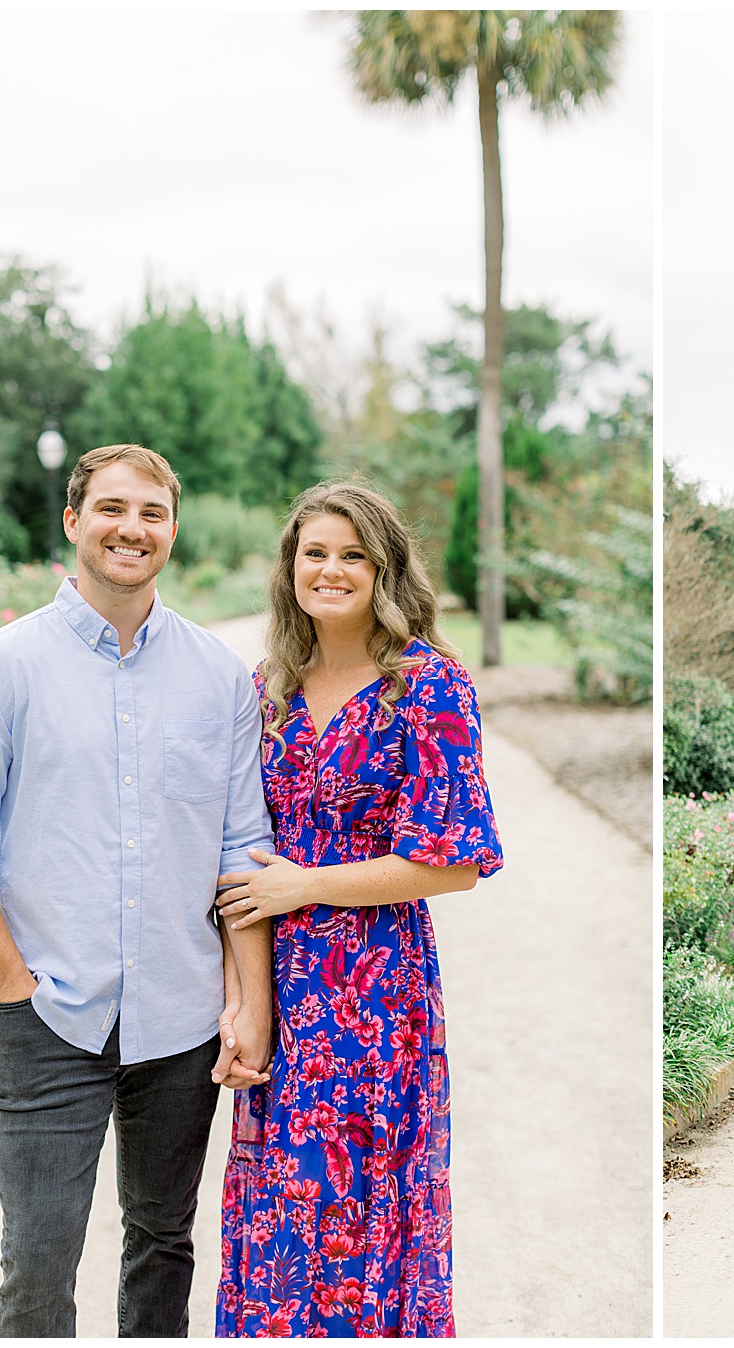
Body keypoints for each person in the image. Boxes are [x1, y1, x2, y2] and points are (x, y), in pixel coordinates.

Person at [0, 444, 275, 1337]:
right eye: (113, 509)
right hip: (50, 1017)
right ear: (74, 521)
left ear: (172, 531)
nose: (133, 528)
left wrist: (245, 1001)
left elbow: (242, 850)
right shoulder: (3, 668)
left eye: (152, 513)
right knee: (37, 1261)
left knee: (163, 1244)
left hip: (181, 1019)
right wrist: (13, 984)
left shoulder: (221, 679)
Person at [212, 479, 504, 1338]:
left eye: (353, 554)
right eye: (315, 553)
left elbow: (453, 864)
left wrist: (308, 884)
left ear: (384, 568)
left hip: (378, 995)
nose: (331, 570)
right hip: (284, 991)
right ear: (289, 568)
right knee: (282, 1216)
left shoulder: (429, 688)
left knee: (366, 1204)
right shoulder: (266, 691)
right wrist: (243, 1002)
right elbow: (238, 861)